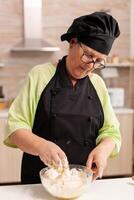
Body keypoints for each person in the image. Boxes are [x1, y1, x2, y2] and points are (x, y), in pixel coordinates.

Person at [4, 11, 121, 184]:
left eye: (98, 61)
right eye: (88, 55)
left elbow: (111, 131)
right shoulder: (40, 75)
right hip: (39, 182)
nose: (91, 65)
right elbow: (16, 127)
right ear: (73, 42)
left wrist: (104, 149)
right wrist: (41, 146)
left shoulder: (98, 84)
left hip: (81, 181)